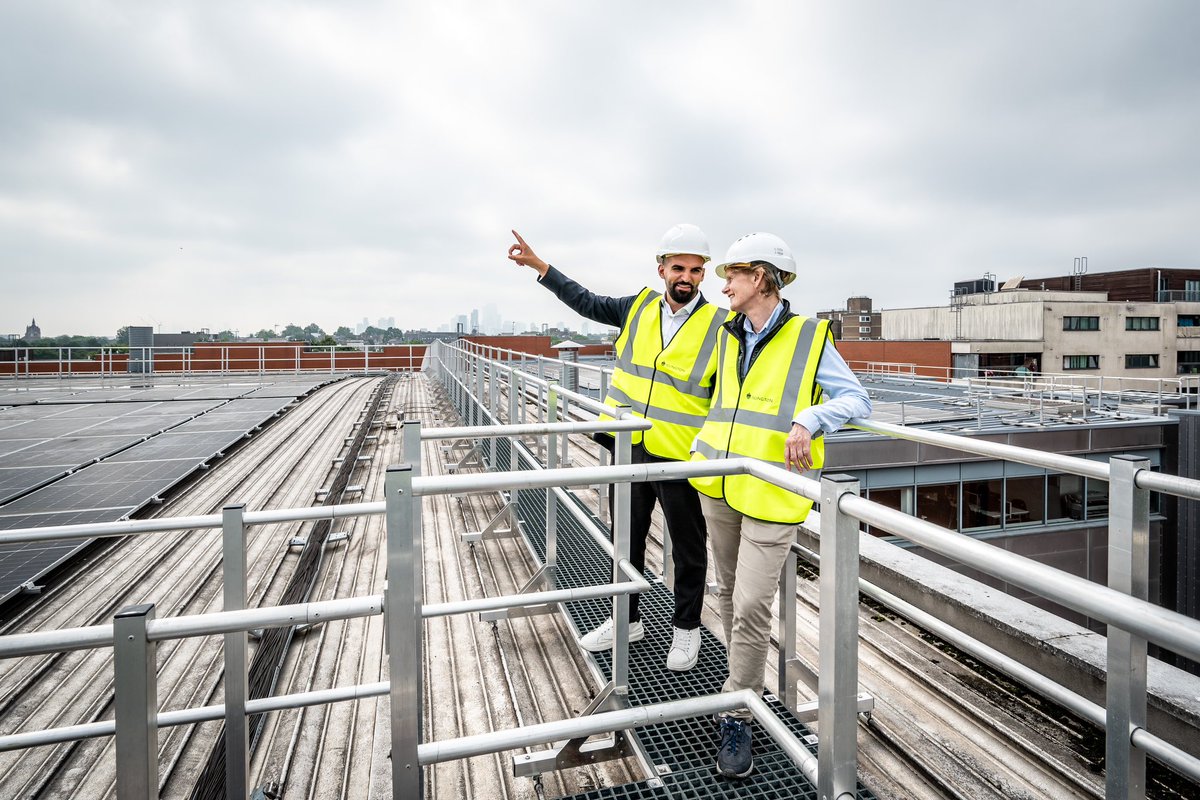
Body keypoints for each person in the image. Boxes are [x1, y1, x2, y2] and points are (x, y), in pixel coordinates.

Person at [688, 232, 872, 779]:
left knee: (749, 604)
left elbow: (857, 398)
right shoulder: (726, 334)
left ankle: (740, 709)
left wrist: (808, 420)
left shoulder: (810, 336)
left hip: (772, 492)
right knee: (727, 595)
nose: (723, 285)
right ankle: (737, 685)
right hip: (720, 484)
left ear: (760, 278)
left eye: (731, 276)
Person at [508, 225, 731, 672]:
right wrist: (541, 267)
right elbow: (586, 300)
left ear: (703, 275)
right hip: (629, 447)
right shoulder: (639, 307)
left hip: (681, 454)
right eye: (679, 268)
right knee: (624, 539)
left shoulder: (721, 324)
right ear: (662, 269)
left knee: (689, 548)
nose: (686, 277)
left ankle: (686, 629)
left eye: (696, 270)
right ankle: (625, 618)